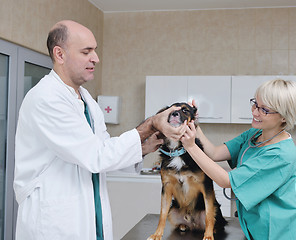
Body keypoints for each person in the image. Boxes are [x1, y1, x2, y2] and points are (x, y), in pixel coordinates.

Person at [13, 20, 186, 240]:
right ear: (60, 54)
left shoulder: (87, 101)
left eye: (94, 51)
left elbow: (103, 153)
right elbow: (97, 156)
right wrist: (150, 124)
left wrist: (142, 148)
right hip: (54, 222)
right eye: (86, 51)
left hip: (89, 215)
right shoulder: (46, 98)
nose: (96, 58)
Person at [181, 79, 296, 239]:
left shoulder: (280, 154)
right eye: (255, 104)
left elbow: (226, 180)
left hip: (276, 233)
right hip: (254, 228)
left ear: (284, 117)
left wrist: (191, 147)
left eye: (264, 110)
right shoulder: (255, 134)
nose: (254, 112)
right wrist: (194, 124)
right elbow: (215, 153)